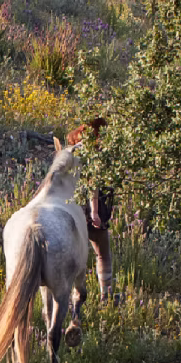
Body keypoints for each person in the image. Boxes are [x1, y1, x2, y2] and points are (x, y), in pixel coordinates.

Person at [66, 117, 114, 301]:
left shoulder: (73, 149)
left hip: (73, 206)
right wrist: (94, 211)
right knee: (102, 253)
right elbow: (92, 183)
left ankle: (72, 295)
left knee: (76, 254)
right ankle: (105, 296)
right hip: (92, 207)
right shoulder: (94, 152)